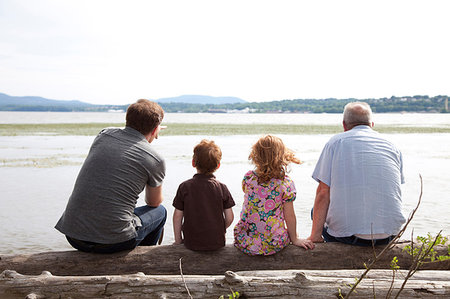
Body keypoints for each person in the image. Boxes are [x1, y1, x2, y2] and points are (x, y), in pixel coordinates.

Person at [55, 99, 167, 253]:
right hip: (114, 241)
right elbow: (153, 202)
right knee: (161, 212)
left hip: (74, 235)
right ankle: (142, 259)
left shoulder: (103, 135)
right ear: (155, 130)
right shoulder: (155, 159)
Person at [308, 102, 406, 246]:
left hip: (350, 237)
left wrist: (315, 236)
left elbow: (323, 193)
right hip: (390, 234)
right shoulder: (392, 145)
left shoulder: (335, 143)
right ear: (372, 124)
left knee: (314, 211)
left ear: (344, 125)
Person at [234, 135, 314, 255]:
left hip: (245, 240)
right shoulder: (285, 183)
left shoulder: (249, 178)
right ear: (282, 156)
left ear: (256, 156)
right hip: (273, 243)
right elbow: (289, 216)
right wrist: (295, 239)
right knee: (284, 230)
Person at [172, 139, 235, 250]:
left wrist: (178, 241)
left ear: (193, 163)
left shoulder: (185, 187)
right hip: (216, 242)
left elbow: (177, 217)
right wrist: (219, 229)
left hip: (191, 243)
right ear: (218, 165)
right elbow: (230, 218)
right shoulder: (222, 188)